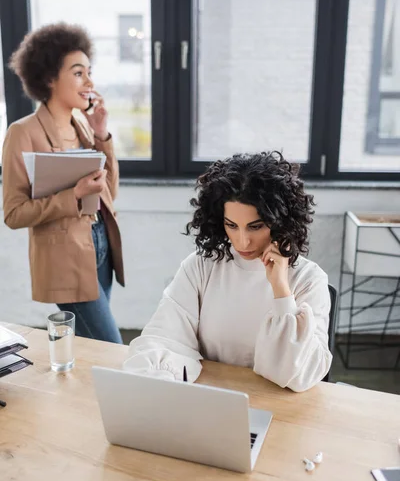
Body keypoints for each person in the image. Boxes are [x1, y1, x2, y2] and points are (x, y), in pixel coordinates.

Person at [123, 152, 332, 391]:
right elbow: (164, 338)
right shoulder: (202, 266)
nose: (242, 242)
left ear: (281, 220)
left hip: (280, 410)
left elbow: (297, 376)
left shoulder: (309, 279)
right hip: (211, 401)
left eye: (256, 227)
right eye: (231, 226)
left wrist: (281, 292)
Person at [2, 22, 124, 343]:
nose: (89, 82)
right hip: (65, 257)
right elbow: (13, 214)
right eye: (78, 73)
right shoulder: (22, 132)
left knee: (90, 350)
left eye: (89, 72)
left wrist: (101, 136)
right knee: (111, 348)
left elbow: (109, 192)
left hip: (99, 244)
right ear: (49, 78)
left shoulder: (83, 125)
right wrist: (74, 195)